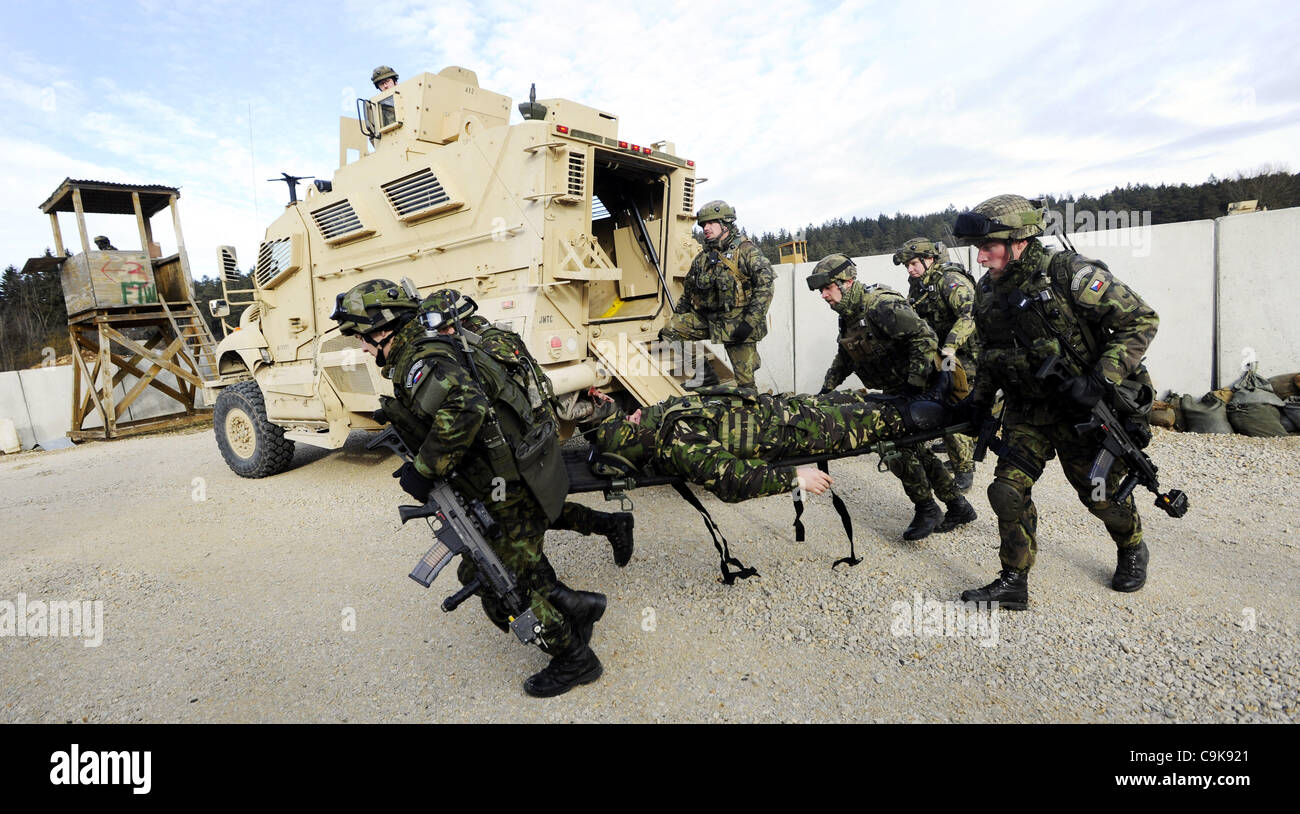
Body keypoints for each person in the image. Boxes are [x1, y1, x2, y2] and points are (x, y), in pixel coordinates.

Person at [330, 279, 607, 697]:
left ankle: (574, 660)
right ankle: (579, 608)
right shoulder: (434, 340)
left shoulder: (419, 358)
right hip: (511, 471)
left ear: (382, 328)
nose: (364, 348)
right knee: (520, 563)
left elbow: (466, 406)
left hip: (502, 481)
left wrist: (423, 469)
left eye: (362, 337)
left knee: (501, 587)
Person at [951, 194, 1159, 609]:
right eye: (978, 249)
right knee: (1006, 492)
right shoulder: (988, 291)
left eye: (988, 247)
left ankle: (1132, 543)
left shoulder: (1068, 273)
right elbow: (990, 353)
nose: (980, 258)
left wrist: (1100, 380)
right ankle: (1013, 578)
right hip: (1028, 413)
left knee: (1100, 496)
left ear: (1019, 241)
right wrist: (978, 401)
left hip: (1081, 412)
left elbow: (1141, 320)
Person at [808, 253, 976, 539]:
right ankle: (957, 505)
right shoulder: (849, 315)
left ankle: (927, 508)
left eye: (828, 288)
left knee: (896, 448)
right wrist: (826, 390)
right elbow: (845, 356)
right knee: (914, 449)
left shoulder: (881, 305)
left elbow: (924, 339)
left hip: (917, 389)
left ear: (846, 282)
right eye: (821, 291)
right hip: (897, 390)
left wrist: (914, 387)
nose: (823, 296)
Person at [586, 385, 956, 504]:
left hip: (788, 407)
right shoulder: (679, 444)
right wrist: (796, 477)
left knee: (872, 399)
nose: (633, 414)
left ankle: (949, 404)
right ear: (637, 439)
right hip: (801, 431)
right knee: (895, 419)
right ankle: (962, 413)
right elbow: (733, 481)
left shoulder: (664, 417)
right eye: (629, 423)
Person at [660, 200, 774, 393]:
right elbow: (688, 293)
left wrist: (749, 323)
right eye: (703, 224)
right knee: (670, 331)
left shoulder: (746, 251)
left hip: (737, 323)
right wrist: (676, 320)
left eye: (711, 223)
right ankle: (704, 374)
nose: (706, 228)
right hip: (709, 319)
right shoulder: (703, 258)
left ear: (725, 224)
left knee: (746, 386)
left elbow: (765, 286)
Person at [895, 237, 980, 492]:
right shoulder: (919, 286)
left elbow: (970, 314)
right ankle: (960, 452)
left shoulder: (949, 280)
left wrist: (951, 346)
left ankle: (965, 470)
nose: (909, 269)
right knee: (945, 407)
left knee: (956, 408)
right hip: (942, 356)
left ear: (928, 259)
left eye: (913, 264)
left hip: (966, 353)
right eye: (906, 265)